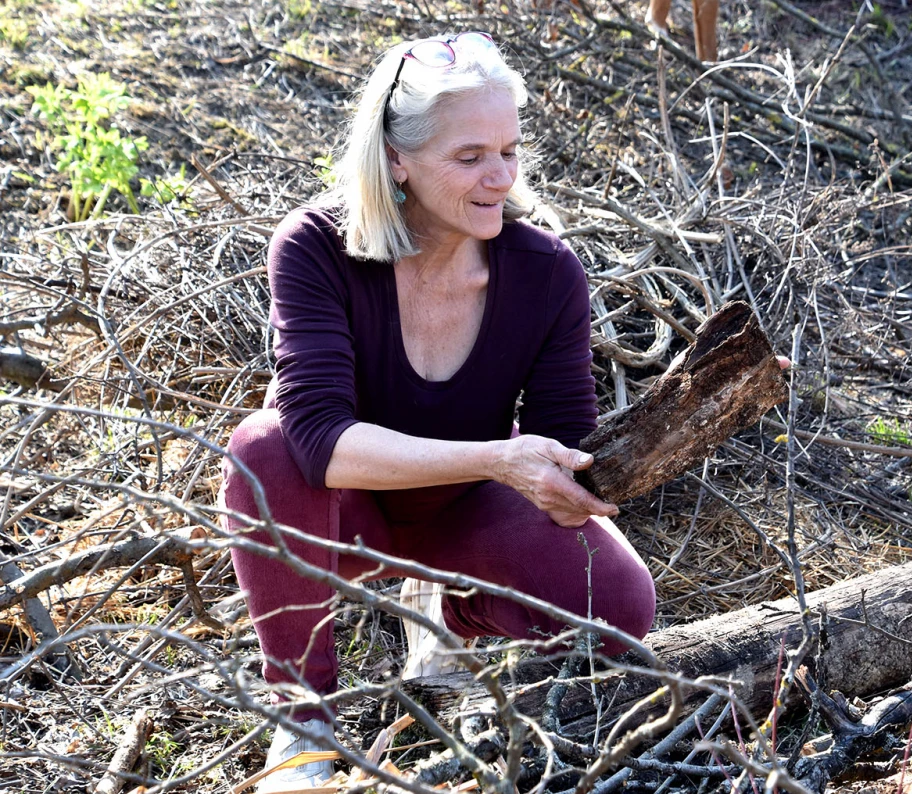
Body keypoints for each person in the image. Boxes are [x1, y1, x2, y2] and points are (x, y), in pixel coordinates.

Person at [219, 32, 657, 792]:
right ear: (397, 159)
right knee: (262, 449)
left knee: (619, 604)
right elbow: (318, 440)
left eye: (510, 151)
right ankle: (302, 722)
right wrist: (495, 456)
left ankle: (452, 616)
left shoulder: (546, 272)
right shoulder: (315, 247)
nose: (500, 178)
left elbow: (565, 440)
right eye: (470, 157)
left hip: (464, 510)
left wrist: (656, 436)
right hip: (344, 510)